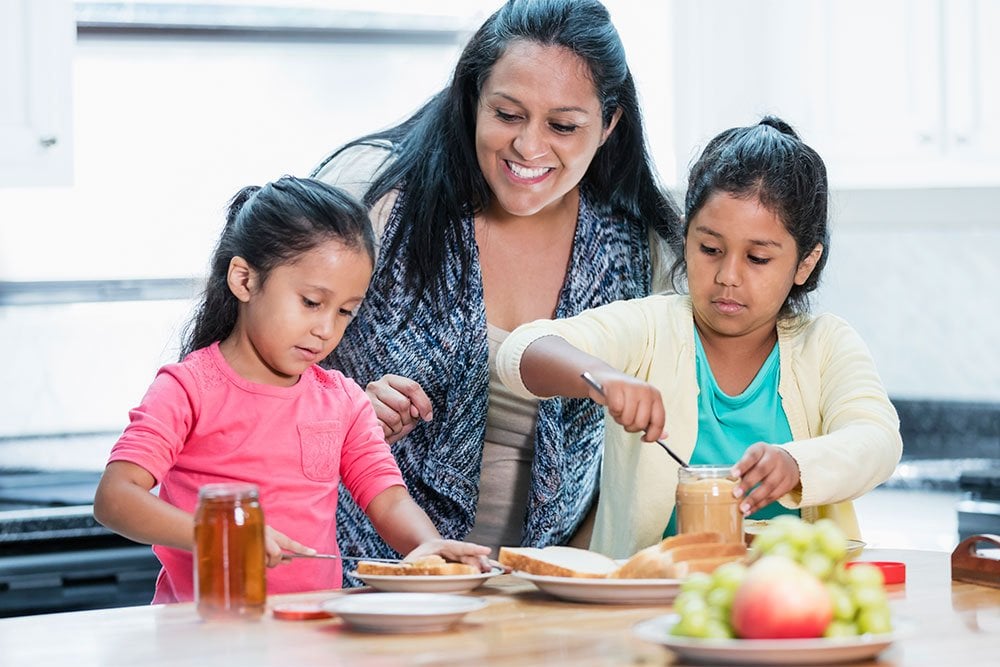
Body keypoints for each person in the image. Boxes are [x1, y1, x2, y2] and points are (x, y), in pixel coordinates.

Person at [310, 0, 681, 570]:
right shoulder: (376, 195)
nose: (529, 148)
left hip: (531, 600)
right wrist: (342, 410)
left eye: (563, 126)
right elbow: (248, 371)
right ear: (473, 99)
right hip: (358, 587)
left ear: (608, 125)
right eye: (508, 114)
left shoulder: (637, 250)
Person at [496, 117, 903, 558]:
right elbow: (522, 351)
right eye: (710, 249)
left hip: (792, 598)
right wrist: (600, 376)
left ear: (805, 263)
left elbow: (878, 440)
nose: (728, 276)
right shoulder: (652, 328)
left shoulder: (826, 346)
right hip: (650, 605)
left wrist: (795, 464)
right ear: (686, 239)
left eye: (758, 258)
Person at [93, 177, 490, 603]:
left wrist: (424, 546)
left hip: (310, 634)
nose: (325, 329)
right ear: (244, 280)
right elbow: (115, 498)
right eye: (311, 302)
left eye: (344, 312)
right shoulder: (188, 388)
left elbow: (388, 499)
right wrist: (225, 534)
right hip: (201, 634)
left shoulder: (343, 401)